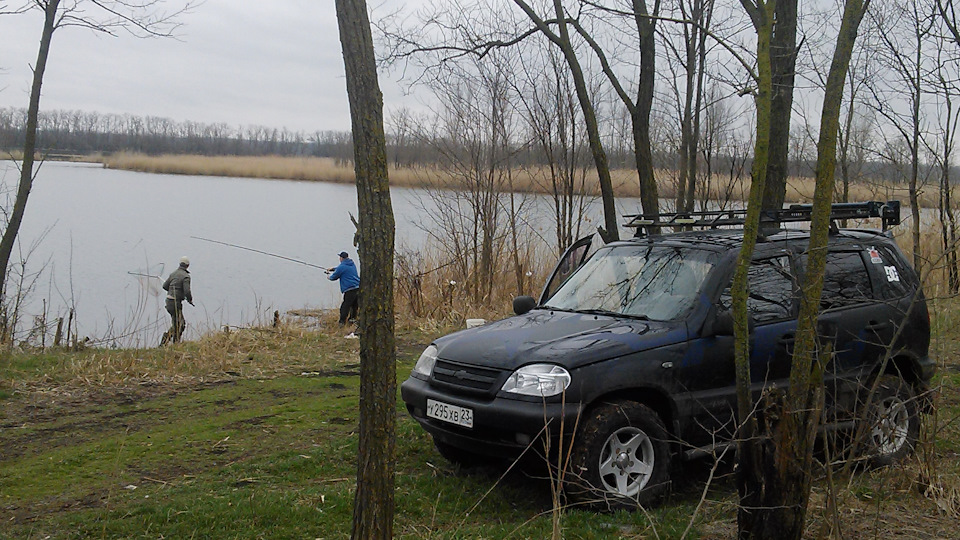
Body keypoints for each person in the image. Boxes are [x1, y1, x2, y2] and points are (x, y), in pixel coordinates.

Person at [161, 256, 194, 344]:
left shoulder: (173, 274)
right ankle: (171, 340)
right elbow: (187, 291)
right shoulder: (186, 277)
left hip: (168, 301)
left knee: (177, 323)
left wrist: (172, 290)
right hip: (175, 302)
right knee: (181, 324)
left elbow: (164, 286)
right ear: (187, 266)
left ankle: (172, 341)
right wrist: (190, 300)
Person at [327, 250, 360, 326]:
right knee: (354, 306)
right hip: (357, 287)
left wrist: (328, 276)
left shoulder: (342, 266)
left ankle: (342, 322)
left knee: (345, 306)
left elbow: (334, 277)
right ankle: (352, 320)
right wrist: (333, 269)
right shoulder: (352, 264)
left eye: (340, 257)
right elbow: (341, 269)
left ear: (341, 258)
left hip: (350, 289)